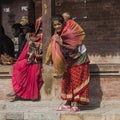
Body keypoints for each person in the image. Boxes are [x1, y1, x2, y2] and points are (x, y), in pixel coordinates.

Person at [45, 14, 90, 112]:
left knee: (77, 79)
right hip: (69, 59)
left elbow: (74, 47)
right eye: (55, 25)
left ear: (63, 23)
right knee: (67, 79)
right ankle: (68, 103)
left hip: (79, 58)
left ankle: (76, 103)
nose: (57, 27)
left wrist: (61, 43)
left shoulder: (69, 32)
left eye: (58, 24)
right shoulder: (57, 34)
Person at [7, 18, 44, 101]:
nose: (41, 28)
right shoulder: (32, 36)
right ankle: (17, 90)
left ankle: (18, 90)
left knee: (24, 67)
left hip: (39, 59)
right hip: (31, 59)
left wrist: (36, 56)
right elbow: (25, 51)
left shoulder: (46, 36)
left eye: (43, 26)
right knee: (18, 65)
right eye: (40, 26)